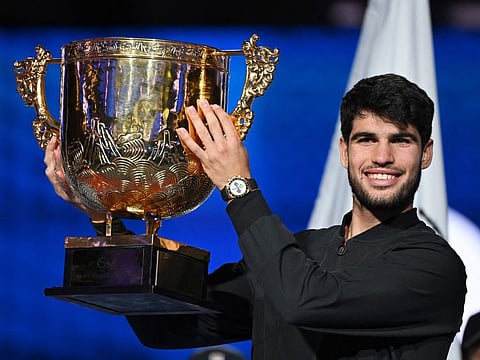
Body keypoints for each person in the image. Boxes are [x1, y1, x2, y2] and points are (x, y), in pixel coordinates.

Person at [44, 73, 467, 359]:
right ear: (344, 151)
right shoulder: (300, 252)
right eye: (366, 139)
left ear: (425, 154)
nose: (382, 156)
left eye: (402, 140)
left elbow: (305, 301)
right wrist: (107, 219)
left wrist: (238, 186)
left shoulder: (432, 265)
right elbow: (164, 326)